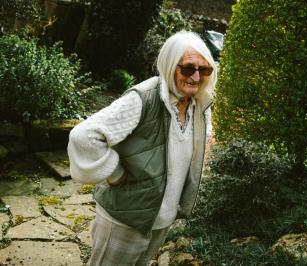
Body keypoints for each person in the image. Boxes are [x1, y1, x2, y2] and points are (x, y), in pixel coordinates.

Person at [67, 31, 217, 266]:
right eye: (188, 68)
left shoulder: (199, 104)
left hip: (160, 220)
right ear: (169, 65)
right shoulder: (144, 98)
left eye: (204, 69)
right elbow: (83, 138)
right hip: (125, 218)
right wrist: (114, 174)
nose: (197, 77)